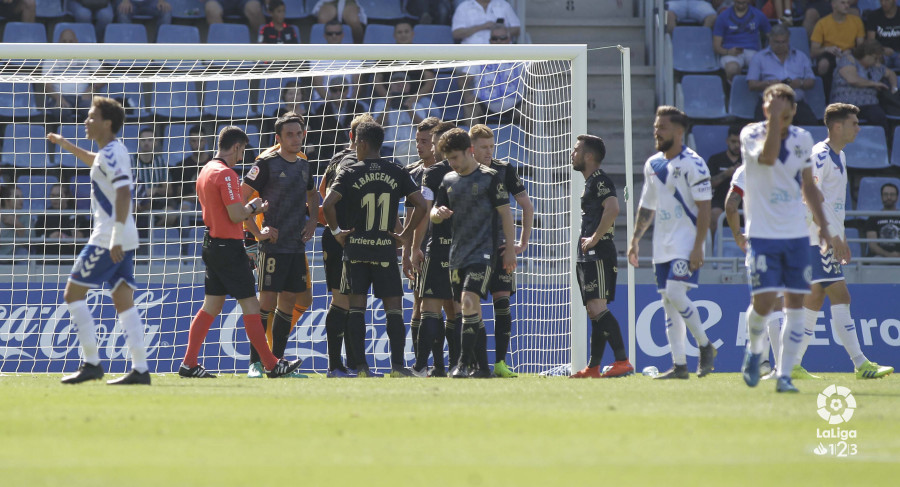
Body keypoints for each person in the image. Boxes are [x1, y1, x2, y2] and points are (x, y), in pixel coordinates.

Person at [178, 125, 303, 378]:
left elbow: (223, 212)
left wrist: (250, 219)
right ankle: (270, 364)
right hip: (228, 248)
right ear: (236, 147)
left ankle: (189, 363)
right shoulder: (226, 175)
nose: (240, 157)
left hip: (211, 244)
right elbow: (236, 214)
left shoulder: (205, 171)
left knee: (210, 306)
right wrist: (254, 207)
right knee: (252, 306)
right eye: (241, 151)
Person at [46, 97, 150, 385]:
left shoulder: (113, 153)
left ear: (107, 123)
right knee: (123, 301)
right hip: (123, 234)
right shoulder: (111, 152)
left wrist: (114, 237)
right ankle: (140, 369)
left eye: (91, 117)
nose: (85, 121)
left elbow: (125, 193)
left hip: (108, 237)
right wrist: (67, 145)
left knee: (72, 294)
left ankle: (91, 362)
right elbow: (97, 164)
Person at [738, 83, 833, 393]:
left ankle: (784, 374)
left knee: (795, 304)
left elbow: (808, 185)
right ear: (765, 109)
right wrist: (775, 121)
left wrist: (824, 228)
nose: (782, 116)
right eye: (775, 108)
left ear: (794, 111)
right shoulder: (751, 134)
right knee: (764, 304)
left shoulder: (803, 138)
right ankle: (755, 352)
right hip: (762, 233)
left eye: (787, 111)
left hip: (795, 234)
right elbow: (767, 158)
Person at [792, 103, 894, 379]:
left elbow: (834, 204)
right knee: (840, 294)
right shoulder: (820, 155)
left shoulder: (841, 157)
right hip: (815, 238)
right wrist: (831, 236)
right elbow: (808, 196)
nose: (859, 128)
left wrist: (843, 235)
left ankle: (792, 363)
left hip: (823, 238)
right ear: (837, 126)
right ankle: (861, 364)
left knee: (815, 298)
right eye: (854, 123)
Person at [322, 121, 427, 378]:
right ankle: (398, 366)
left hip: (356, 250)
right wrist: (404, 235)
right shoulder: (397, 171)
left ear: (362, 143)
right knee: (394, 308)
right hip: (384, 251)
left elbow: (327, 204)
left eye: (356, 143)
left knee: (356, 308)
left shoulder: (350, 172)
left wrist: (337, 233)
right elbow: (422, 206)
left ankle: (361, 368)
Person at [628, 107, 716, 380]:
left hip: (687, 242)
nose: (657, 131)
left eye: (662, 127)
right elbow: (647, 206)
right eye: (656, 126)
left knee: (676, 295)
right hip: (662, 246)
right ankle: (679, 366)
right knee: (668, 302)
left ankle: (705, 346)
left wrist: (698, 246)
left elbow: (704, 209)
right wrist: (634, 240)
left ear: (679, 132)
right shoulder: (653, 164)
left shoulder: (694, 163)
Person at [430, 128, 517, 378]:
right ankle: (482, 368)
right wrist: (439, 215)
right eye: (449, 159)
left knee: (468, 301)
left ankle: (463, 363)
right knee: (470, 312)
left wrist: (510, 249)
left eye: (455, 157)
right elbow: (435, 212)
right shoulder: (448, 180)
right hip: (457, 255)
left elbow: (506, 215)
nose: (452, 163)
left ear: (469, 151)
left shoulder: (490, 177)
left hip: (484, 254)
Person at [241, 112, 318, 378]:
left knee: (288, 302)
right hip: (272, 248)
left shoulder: (304, 164)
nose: (295, 138)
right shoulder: (265, 163)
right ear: (278, 138)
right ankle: (255, 363)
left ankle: (278, 363)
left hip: (296, 246)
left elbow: (312, 194)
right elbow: (240, 200)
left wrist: (313, 221)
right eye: (289, 134)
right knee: (266, 303)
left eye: (299, 133)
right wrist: (256, 232)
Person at [468, 124, 533, 377]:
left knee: (502, 302)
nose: (489, 151)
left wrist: (521, 243)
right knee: (470, 305)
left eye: (491, 146)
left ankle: (501, 363)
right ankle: (476, 362)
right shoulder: (462, 171)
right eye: (484, 147)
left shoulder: (503, 169)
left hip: (499, 248)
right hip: (472, 250)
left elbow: (527, 206)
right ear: (471, 148)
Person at [566, 135, 633, 379]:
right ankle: (593, 368)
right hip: (588, 254)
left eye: (576, 150)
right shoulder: (590, 182)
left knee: (598, 308)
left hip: (599, 252)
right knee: (594, 312)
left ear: (588, 156)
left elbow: (613, 208)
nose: (572, 154)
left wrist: (594, 238)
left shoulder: (600, 180)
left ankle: (622, 360)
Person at [318, 113, 375, 377]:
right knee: (342, 299)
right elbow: (327, 197)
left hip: (341, 234)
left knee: (353, 300)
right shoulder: (353, 161)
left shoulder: (336, 158)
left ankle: (352, 364)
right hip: (343, 236)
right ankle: (335, 365)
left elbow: (321, 190)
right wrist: (338, 226)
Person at [404, 118, 457, 378]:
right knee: (427, 305)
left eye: (431, 142)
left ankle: (428, 366)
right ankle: (444, 365)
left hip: (435, 246)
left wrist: (413, 246)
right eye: (422, 141)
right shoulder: (414, 172)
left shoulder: (434, 173)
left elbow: (424, 212)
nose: (426, 147)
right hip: (443, 246)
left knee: (440, 307)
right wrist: (409, 247)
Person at [724, 163, 785, 377]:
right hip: (780, 241)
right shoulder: (783, 168)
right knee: (777, 304)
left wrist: (737, 235)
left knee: (759, 304)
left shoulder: (744, 170)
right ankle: (779, 367)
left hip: (756, 244)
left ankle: (760, 362)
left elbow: (731, 206)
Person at [747, 24, 818, 126]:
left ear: (788, 40)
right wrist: (768, 84)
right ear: (770, 41)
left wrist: (800, 83)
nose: (780, 45)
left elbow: (811, 81)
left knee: (812, 127)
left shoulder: (801, 57)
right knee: (759, 132)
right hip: (770, 103)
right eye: (776, 42)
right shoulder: (759, 58)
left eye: (783, 42)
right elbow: (752, 85)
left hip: (795, 103)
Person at [830, 40, 898, 132]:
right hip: (847, 102)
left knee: (880, 118)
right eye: (875, 58)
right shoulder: (848, 61)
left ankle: (884, 144)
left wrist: (894, 87)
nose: (877, 61)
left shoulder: (875, 66)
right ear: (866, 54)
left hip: (870, 104)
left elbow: (891, 73)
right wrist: (874, 83)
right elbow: (852, 79)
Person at [373, 72, 438, 166]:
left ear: (408, 87)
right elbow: (377, 127)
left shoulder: (417, 105)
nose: (400, 85)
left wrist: (409, 109)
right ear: (390, 86)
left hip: (412, 148)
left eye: (404, 83)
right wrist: (387, 107)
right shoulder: (381, 104)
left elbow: (423, 127)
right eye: (396, 83)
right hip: (389, 149)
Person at [41, 29, 101, 123]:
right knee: (61, 112)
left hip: (83, 97)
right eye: (64, 41)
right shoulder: (51, 57)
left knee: (93, 112)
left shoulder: (85, 53)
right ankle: (68, 136)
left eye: (70, 41)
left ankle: (85, 136)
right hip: (61, 96)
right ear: (59, 42)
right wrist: (58, 97)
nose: (67, 44)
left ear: (76, 42)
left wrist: (92, 88)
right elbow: (47, 85)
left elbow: (103, 73)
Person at [306, 78, 366, 173]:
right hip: (330, 151)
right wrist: (342, 144)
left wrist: (352, 144)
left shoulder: (358, 107)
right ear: (329, 91)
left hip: (355, 148)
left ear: (347, 90)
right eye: (334, 90)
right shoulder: (322, 110)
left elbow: (363, 129)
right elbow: (322, 133)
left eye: (342, 89)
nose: (339, 93)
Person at [712, 0, 772, 83]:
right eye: (738, 3)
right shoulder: (723, 16)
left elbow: (771, 37)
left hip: (752, 51)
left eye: (743, 3)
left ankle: (758, 92)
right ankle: (733, 93)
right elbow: (716, 46)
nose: (741, 5)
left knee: (764, 67)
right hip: (730, 51)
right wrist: (728, 52)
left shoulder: (758, 15)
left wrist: (766, 53)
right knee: (732, 69)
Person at [810, 0, 865, 90]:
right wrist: (827, 49)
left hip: (849, 53)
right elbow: (813, 51)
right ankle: (827, 97)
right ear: (833, 5)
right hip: (829, 53)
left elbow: (861, 47)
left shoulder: (857, 21)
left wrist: (851, 51)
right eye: (843, 3)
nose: (847, 6)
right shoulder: (822, 23)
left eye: (848, 3)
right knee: (823, 64)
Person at [132, 127, 176, 232]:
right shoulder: (130, 161)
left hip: (156, 200)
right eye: (143, 140)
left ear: (155, 143)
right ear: (138, 142)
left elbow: (168, 191)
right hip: (136, 202)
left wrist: (155, 190)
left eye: (150, 140)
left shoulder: (160, 163)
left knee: (171, 215)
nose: (146, 143)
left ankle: (152, 234)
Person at [168, 125, 210, 226]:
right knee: (184, 207)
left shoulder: (214, 164)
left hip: (210, 203)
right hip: (188, 204)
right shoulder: (181, 166)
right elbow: (177, 196)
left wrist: (199, 196)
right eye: (193, 141)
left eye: (200, 140)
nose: (197, 144)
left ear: (205, 141)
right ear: (189, 142)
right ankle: (185, 241)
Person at [33, 183, 91, 257]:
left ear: (67, 197)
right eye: (52, 196)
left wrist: (78, 236)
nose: (55, 199)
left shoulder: (77, 215)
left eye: (58, 196)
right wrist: (49, 237)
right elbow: (36, 237)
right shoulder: (44, 215)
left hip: (71, 256)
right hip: (48, 256)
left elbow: (85, 235)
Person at [707, 125, 743, 241]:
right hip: (720, 201)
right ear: (727, 141)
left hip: (742, 200)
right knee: (714, 214)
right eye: (733, 141)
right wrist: (726, 174)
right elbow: (708, 184)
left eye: (740, 142)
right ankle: (711, 251)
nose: (737, 145)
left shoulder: (747, 160)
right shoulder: (715, 159)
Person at [452, 0, 521, 44]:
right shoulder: (464, 7)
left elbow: (517, 29)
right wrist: (482, 27)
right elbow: (456, 33)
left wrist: (499, 30)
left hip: (501, 52)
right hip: (472, 54)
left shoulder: (503, 5)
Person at [865, 182, 900, 257]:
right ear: (881, 197)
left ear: (897, 197)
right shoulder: (873, 218)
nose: (889, 197)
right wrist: (889, 255)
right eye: (885, 194)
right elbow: (872, 245)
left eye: (892, 194)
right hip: (879, 257)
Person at [865, 0, 900, 69]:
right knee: (876, 63)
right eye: (881, 1)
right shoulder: (873, 16)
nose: (883, 3)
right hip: (881, 53)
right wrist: (881, 50)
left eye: (886, 0)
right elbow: (871, 42)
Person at [0, 185, 30, 258]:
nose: (21, 200)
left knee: (23, 253)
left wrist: (17, 224)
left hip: (15, 255)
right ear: (7, 200)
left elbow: (32, 240)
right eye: (17, 197)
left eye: (22, 197)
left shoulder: (26, 216)